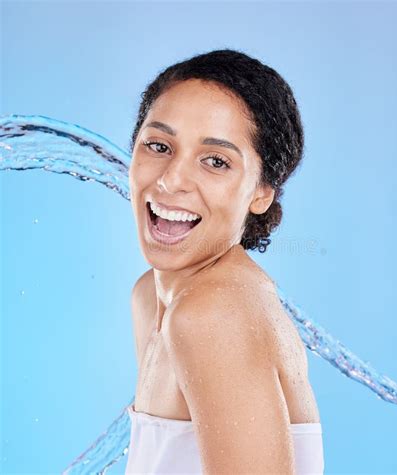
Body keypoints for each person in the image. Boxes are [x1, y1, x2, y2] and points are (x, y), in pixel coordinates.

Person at [125, 48, 324, 474]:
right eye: (158, 145)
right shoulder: (151, 296)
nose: (171, 179)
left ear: (261, 192)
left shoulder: (212, 313)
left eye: (216, 161)